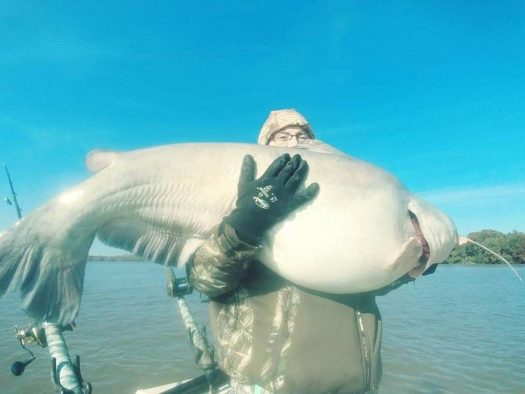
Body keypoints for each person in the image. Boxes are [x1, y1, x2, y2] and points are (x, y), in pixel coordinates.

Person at [187, 109, 413, 393]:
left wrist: (410, 265)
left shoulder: (348, 214)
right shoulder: (232, 206)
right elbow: (204, 279)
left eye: (303, 137)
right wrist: (250, 219)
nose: (295, 144)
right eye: (283, 137)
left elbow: (372, 278)